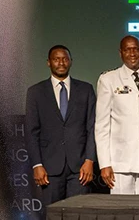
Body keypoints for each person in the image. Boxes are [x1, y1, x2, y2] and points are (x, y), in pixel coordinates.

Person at [25, 45, 97, 206]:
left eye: (65, 59)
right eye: (56, 59)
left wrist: (89, 160)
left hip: (80, 168)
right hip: (49, 168)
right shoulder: (35, 92)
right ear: (48, 62)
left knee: (78, 215)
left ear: (71, 61)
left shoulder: (86, 89)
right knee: (52, 216)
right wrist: (37, 165)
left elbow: (92, 128)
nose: (61, 63)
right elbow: (31, 132)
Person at [94, 35, 139, 195]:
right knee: (121, 209)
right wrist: (104, 163)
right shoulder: (108, 79)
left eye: (136, 49)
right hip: (120, 163)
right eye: (127, 50)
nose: (132, 53)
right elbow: (102, 125)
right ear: (120, 53)